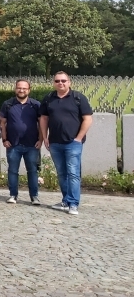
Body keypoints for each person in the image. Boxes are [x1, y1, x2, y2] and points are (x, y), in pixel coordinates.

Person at [40, 71, 93, 215]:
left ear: (69, 82)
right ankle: (66, 200)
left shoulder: (78, 98)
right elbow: (43, 119)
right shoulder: (49, 98)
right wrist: (45, 137)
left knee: (73, 173)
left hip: (73, 142)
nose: (60, 83)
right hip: (55, 143)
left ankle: (74, 204)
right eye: (57, 81)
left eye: (63, 80)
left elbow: (87, 119)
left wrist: (78, 138)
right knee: (62, 173)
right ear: (54, 83)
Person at [0, 79, 42, 205]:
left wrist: (41, 140)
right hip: (13, 144)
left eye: (24, 88)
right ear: (15, 89)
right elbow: (2, 123)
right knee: (13, 171)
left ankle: (34, 196)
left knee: (33, 171)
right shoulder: (8, 104)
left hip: (32, 144)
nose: (21, 90)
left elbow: (41, 123)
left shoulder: (36, 105)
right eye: (19, 88)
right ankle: (13, 195)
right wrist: (4, 139)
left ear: (29, 90)